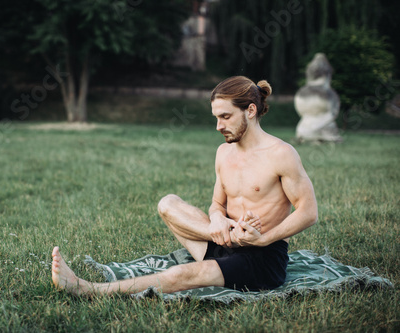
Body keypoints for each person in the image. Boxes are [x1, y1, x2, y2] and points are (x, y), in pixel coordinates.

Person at [51, 76, 318, 295]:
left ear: (250, 110)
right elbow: (217, 204)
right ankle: (223, 244)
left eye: (225, 117)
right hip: (223, 243)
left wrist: (262, 239)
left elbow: (308, 212)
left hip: (261, 258)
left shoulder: (281, 154)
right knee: (167, 203)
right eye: (216, 117)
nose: (218, 126)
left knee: (181, 275)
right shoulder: (224, 153)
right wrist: (217, 220)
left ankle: (86, 289)